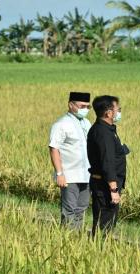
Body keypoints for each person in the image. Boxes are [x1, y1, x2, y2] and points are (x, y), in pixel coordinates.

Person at [49, 91, 92, 230]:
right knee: (69, 210)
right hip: (69, 175)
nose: (85, 109)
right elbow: (54, 148)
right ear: (70, 105)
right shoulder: (61, 124)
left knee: (81, 209)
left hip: (86, 174)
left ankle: (77, 238)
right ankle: (67, 238)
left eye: (87, 107)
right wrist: (59, 174)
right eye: (82, 106)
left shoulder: (87, 123)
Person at [87, 95, 128, 236]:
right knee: (104, 223)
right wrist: (114, 189)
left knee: (106, 222)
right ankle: (99, 251)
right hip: (104, 187)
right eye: (118, 109)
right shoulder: (103, 133)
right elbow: (107, 162)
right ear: (109, 113)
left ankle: (100, 249)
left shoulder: (105, 129)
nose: (119, 112)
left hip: (103, 184)